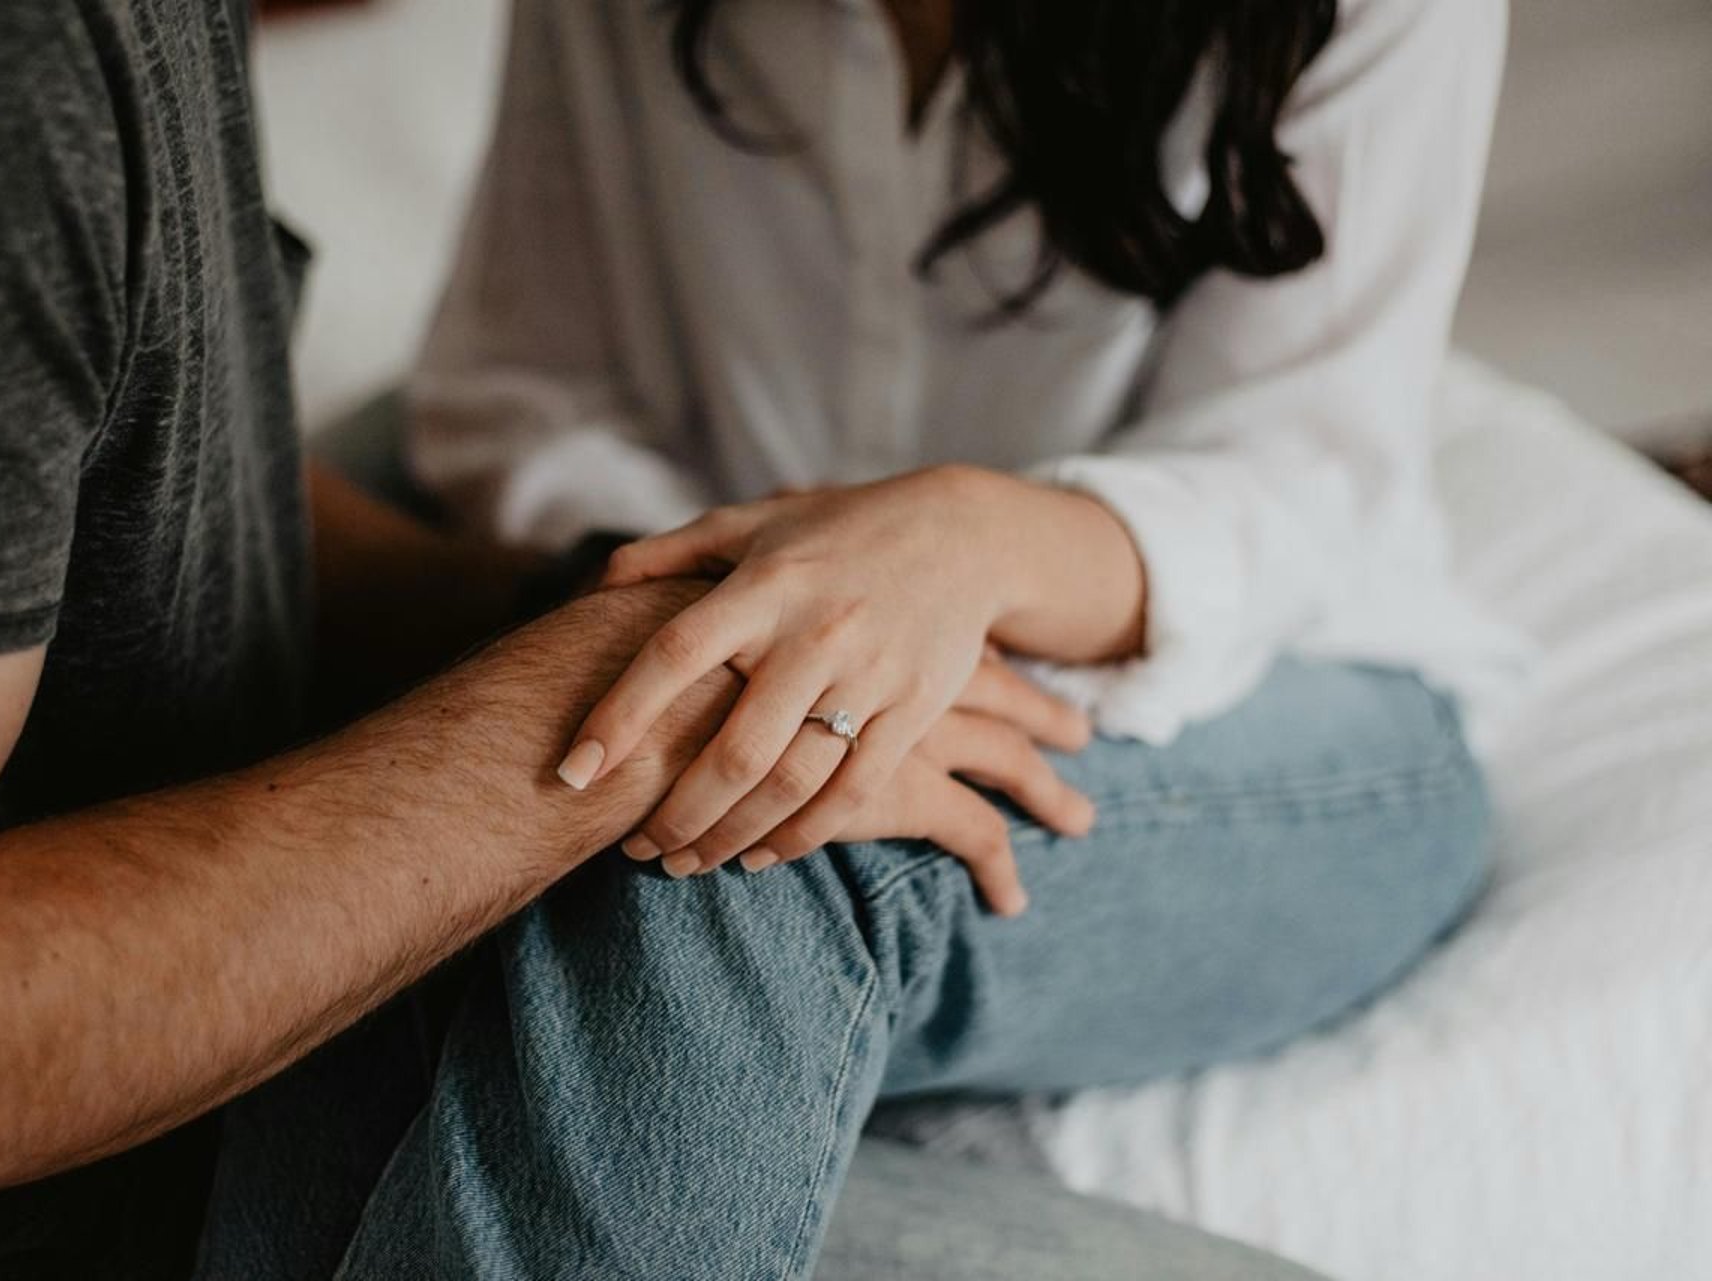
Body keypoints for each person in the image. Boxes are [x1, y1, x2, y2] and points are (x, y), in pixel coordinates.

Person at [0, 2, 1130, 1278]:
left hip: (245, 1054)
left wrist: (592, 605)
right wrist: (626, 698)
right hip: (83, 1204)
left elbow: (130, 484)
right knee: (759, 827)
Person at [392, 0, 1518, 1274]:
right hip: (693, 565)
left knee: (752, 832)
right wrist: (754, 615)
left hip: (1273, 675)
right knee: (618, 754)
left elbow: (1304, 475)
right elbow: (523, 385)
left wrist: (960, 547)